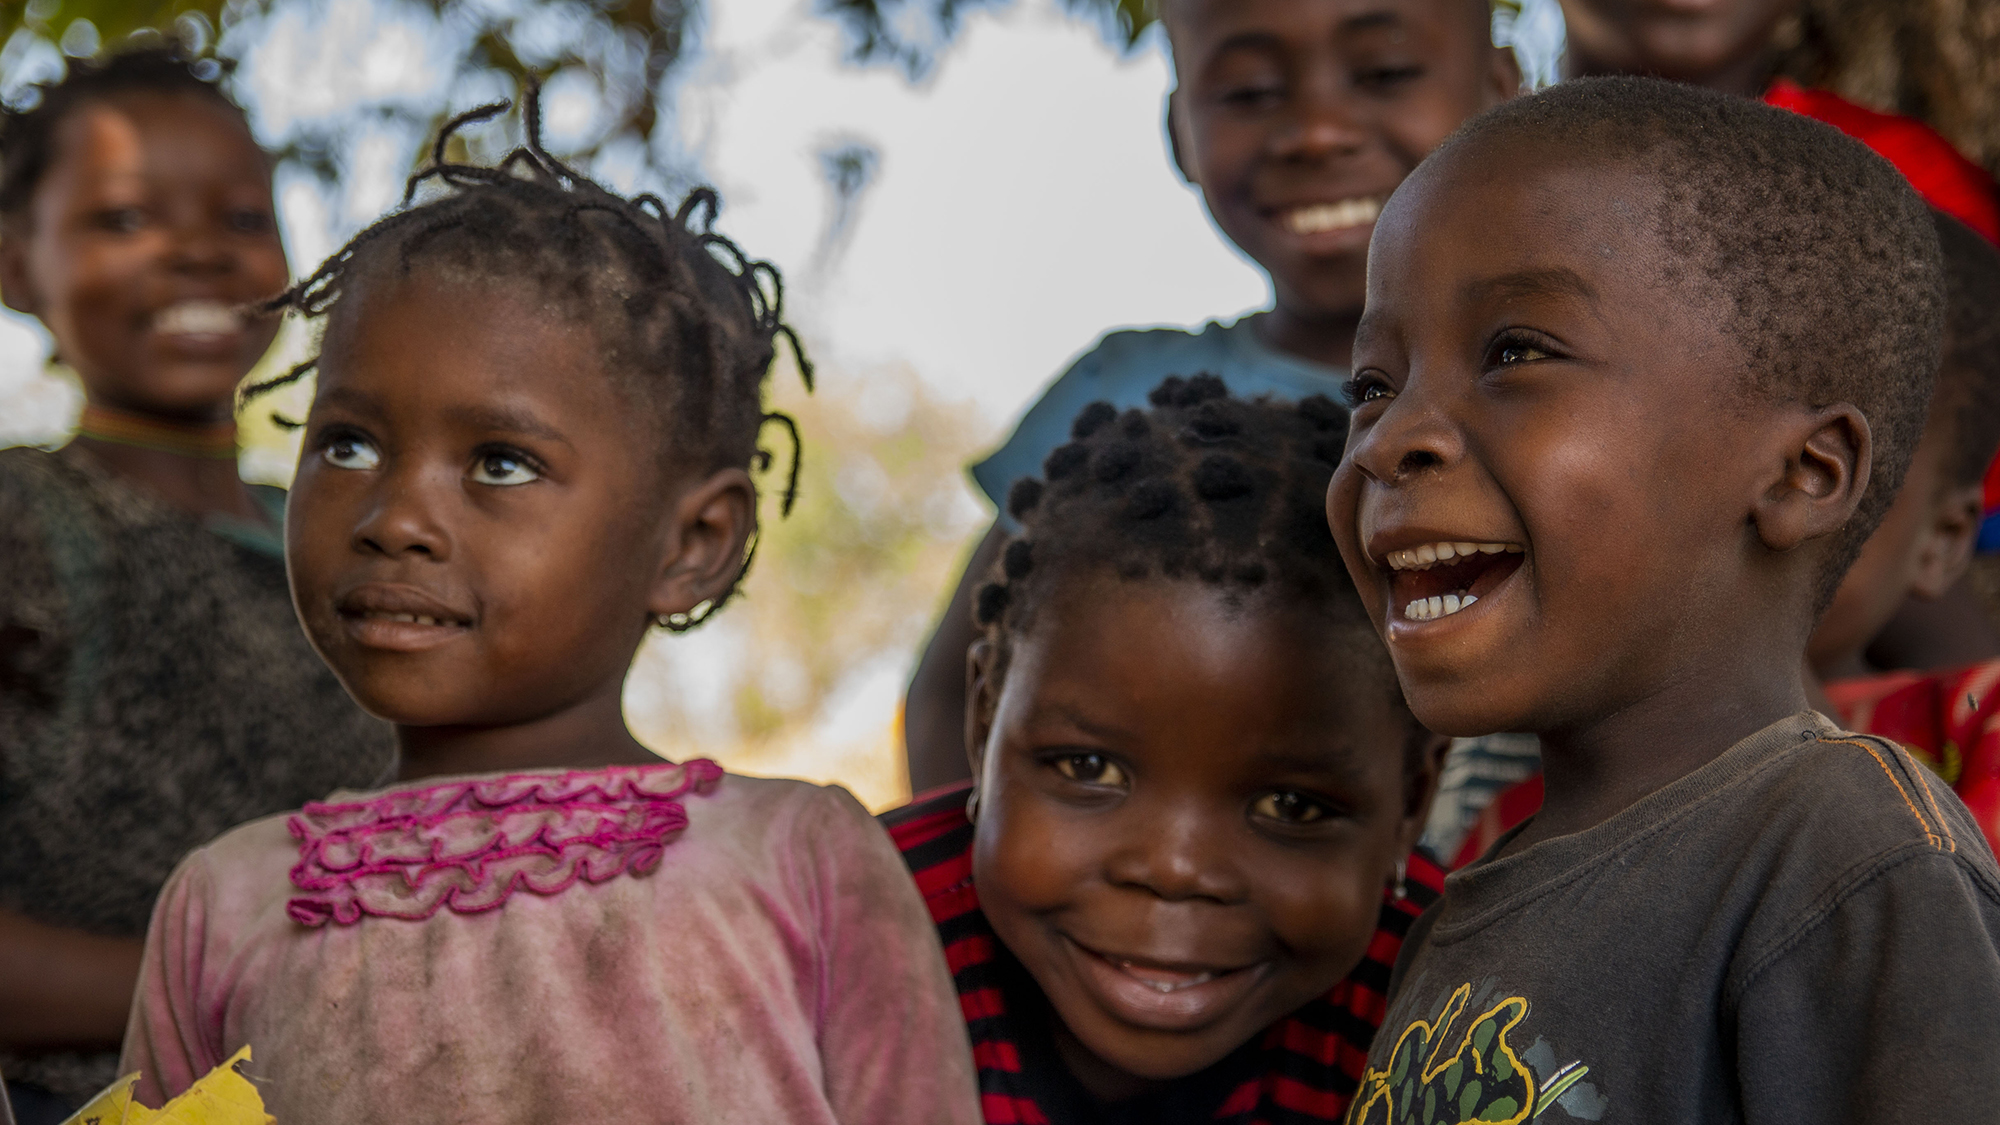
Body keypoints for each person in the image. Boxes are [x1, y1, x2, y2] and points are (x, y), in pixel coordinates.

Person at [117, 96, 981, 1125]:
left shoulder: (799, 859)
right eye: (346, 444)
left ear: (691, 545)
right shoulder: (224, 903)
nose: (396, 518)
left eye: (500, 462)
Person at [1330, 78, 2000, 1120]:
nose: (1385, 437)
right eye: (1370, 384)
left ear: (1800, 475)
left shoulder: (1841, 855)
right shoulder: (1461, 900)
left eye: (1514, 353)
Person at [902, 0, 1521, 792]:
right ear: (1176, 132)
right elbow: (953, 688)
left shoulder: (1574, 379)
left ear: (1502, 85)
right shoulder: (1119, 399)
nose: (1316, 131)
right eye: (1250, 90)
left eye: (1386, 73)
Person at [883, 377, 1449, 1124]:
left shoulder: (1439, 1001)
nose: (1177, 868)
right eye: (1089, 769)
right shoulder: (861, 927)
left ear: (1411, 800)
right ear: (985, 719)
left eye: (1291, 806)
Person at [0, 48, 391, 1122]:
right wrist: (254, 985)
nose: (196, 255)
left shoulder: (372, 535)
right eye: (122, 220)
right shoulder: (26, 522)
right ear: (17, 268)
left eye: (239, 218)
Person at [1442, 211, 2000, 867]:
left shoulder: (1978, 718)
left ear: (1940, 538)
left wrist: (1770, 707)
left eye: (1818, 473)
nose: (1754, 503)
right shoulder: (1521, 822)